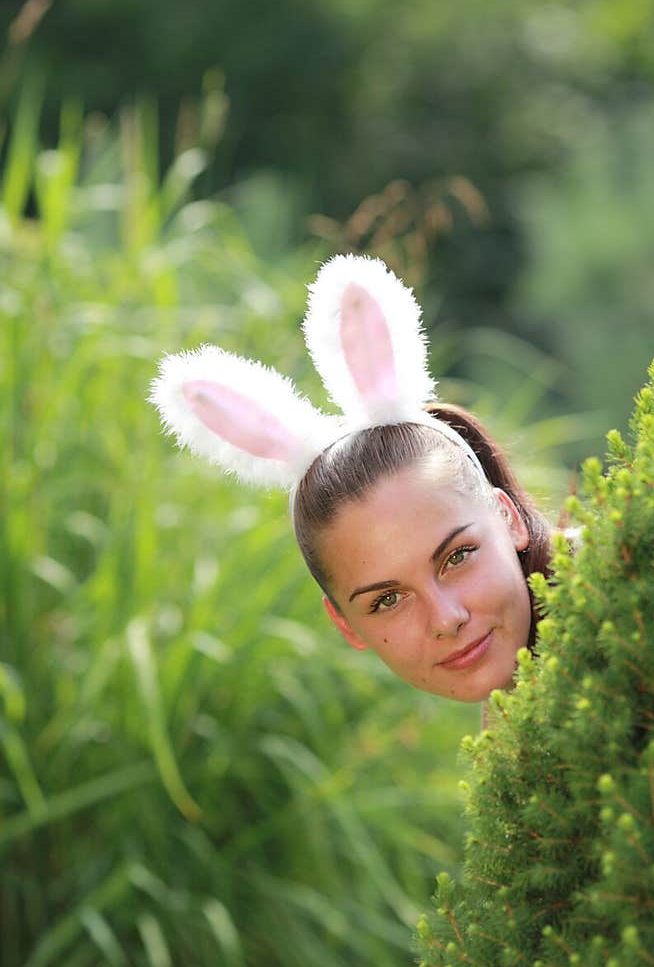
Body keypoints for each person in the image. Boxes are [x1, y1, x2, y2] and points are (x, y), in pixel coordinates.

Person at [149, 254, 558, 720]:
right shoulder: (518, 727)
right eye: (387, 600)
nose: (447, 619)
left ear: (509, 519)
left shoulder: (630, 604)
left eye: (457, 556)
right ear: (346, 625)